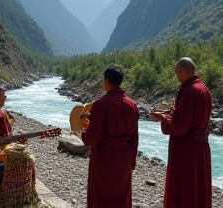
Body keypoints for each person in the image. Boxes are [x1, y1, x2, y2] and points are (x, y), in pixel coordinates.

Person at [150, 57, 212, 208]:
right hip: (202, 147)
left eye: (177, 72)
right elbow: (191, 116)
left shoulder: (189, 91)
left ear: (181, 71)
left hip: (186, 149)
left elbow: (180, 127)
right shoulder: (205, 90)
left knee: (184, 187)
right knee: (198, 186)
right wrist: (171, 113)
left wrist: (164, 120)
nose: (176, 76)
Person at [81, 66, 139, 208]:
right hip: (124, 158)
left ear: (107, 81)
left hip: (104, 159)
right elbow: (135, 138)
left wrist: (84, 129)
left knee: (101, 196)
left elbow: (91, 138)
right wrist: (132, 160)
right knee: (120, 197)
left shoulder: (101, 104)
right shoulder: (132, 105)